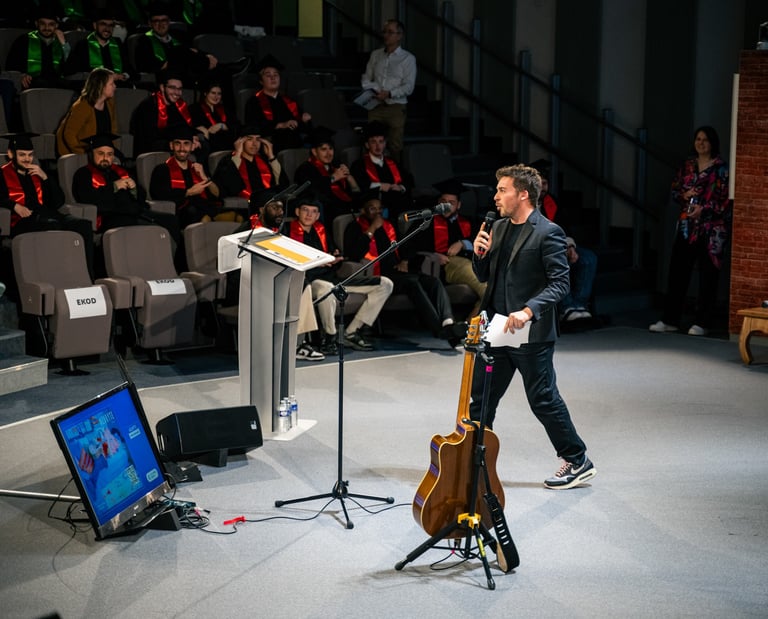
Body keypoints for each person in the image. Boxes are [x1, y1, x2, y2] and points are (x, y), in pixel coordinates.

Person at [469, 164, 595, 490]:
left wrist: (528, 310)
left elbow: (560, 284)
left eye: (502, 190)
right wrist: (480, 255)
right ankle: (474, 460)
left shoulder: (548, 232)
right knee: (481, 398)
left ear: (523, 194)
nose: (496, 196)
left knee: (543, 399)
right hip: (498, 327)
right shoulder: (498, 227)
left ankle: (577, 459)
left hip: (530, 332)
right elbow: (484, 277)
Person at [344, 192, 466, 346]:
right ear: (363, 211)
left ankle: (448, 322)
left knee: (432, 281)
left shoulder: (388, 225)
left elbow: (405, 245)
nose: (378, 212)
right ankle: (440, 331)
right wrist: (372, 228)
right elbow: (354, 253)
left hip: (397, 271)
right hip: (378, 275)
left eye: (380, 209)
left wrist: (405, 260)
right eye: (372, 209)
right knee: (412, 282)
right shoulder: (355, 227)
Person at [649, 125, 730, 336]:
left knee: (708, 276)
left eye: (705, 139)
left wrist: (705, 209)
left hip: (711, 230)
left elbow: (726, 201)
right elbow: (675, 190)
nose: (701, 143)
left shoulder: (721, 168)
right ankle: (670, 319)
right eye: (698, 139)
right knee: (678, 272)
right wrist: (684, 195)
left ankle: (703, 322)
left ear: (712, 143)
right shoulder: (688, 165)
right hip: (687, 226)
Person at [289, 197, 393, 354]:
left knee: (385, 284)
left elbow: (335, 254)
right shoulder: (288, 231)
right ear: (297, 212)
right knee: (327, 288)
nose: (309, 215)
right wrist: (316, 263)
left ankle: (351, 332)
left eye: (314, 211)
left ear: (318, 215)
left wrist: (336, 258)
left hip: (332, 278)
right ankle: (329, 338)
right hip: (309, 281)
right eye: (305, 210)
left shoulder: (321, 230)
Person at [71, 132, 182, 269]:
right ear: (91, 154)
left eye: (110, 154)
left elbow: (141, 195)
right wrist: (114, 186)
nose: (105, 158)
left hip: (135, 211)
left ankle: (174, 267)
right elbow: (87, 199)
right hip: (109, 216)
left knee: (170, 220)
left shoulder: (120, 171)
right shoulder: (83, 174)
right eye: (100, 153)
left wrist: (134, 189)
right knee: (147, 228)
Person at [0, 132, 95, 277]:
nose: (27, 159)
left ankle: (87, 276)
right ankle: (57, 275)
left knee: (84, 225)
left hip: (46, 214)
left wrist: (45, 177)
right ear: (10, 154)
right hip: (22, 220)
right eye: (22, 155)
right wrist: (14, 205)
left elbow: (58, 202)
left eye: (30, 155)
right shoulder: (2, 174)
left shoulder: (37, 173)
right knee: (51, 225)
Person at [408, 177, 487, 317]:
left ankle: (468, 326)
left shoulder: (469, 222)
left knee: (492, 289)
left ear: (459, 205)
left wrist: (463, 243)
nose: (446, 206)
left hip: (475, 262)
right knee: (487, 288)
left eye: (451, 203)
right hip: (449, 265)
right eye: (443, 202)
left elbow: (484, 241)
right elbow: (410, 247)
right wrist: (433, 255)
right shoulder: (425, 223)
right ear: (438, 203)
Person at [149, 124, 240, 229]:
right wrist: (189, 192)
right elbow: (160, 194)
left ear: (192, 147)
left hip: (205, 208)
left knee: (238, 216)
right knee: (202, 216)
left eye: (186, 144)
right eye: (178, 143)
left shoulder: (196, 168)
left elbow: (217, 194)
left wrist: (204, 177)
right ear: (171, 146)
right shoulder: (162, 169)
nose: (182, 148)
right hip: (183, 212)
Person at [360, 19, 416, 163]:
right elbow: (366, 77)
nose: (386, 35)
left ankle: (395, 173)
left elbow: (408, 86)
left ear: (399, 35)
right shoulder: (376, 55)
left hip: (395, 106)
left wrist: (389, 93)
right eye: (384, 32)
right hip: (375, 103)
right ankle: (372, 171)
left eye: (390, 32)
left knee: (395, 145)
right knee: (372, 141)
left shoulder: (408, 58)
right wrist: (375, 90)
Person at [133, 2, 218, 84]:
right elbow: (146, 66)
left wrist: (207, 56)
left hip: (188, 73)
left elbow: (193, 51)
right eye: (156, 21)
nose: (161, 25)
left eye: (164, 20)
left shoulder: (178, 36)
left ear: (169, 22)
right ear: (150, 23)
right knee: (179, 52)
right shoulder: (144, 41)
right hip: (165, 78)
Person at [244, 54, 312, 154]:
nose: (273, 78)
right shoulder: (253, 102)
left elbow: (303, 127)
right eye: (268, 75)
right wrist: (279, 125)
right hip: (273, 145)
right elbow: (253, 128)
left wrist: (304, 120)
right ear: (261, 81)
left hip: (294, 142)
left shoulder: (289, 102)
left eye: (276, 75)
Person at [294, 127, 359, 232]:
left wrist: (349, 178)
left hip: (344, 207)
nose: (328, 153)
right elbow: (311, 191)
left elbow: (351, 191)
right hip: (326, 210)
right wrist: (333, 178)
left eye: (331, 149)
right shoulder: (306, 169)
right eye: (324, 149)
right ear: (314, 151)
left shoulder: (335, 166)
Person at [129, 71, 206, 159]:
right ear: (162, 87)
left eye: (180, 89)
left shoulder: (178, 106)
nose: (177, 92)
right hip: (151, 147)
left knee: (202, 146)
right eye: (172, 88)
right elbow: (149, 137)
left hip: (172, 142)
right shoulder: (148, 106)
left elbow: (181, 126)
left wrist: (192, 137)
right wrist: (177, 141)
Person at [212, 124, 282, 215]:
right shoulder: (228, 161)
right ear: (240, 142)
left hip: (267, 204)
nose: (255, 144)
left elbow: (280, 183)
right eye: (249, 139)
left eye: (258, 139)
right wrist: (238, 154)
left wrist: (271, 156)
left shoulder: (265, 160)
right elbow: (226, 184)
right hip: (243, 209)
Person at [349, 121, 411, 220]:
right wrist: (380, 186)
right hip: (376, 204)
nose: (378, 146)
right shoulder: (359, 165)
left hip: (398, 201)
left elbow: (409, 179)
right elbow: (361, 186)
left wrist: (400, 187)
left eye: (381, 141)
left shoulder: (392, 162)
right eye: (373, 142)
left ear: (385, 144)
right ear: (367, 145)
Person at [55, 67, 118, 156]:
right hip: (80, 150)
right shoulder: (82, 106)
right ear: (101, 86)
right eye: (111, 84)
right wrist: (83, 154)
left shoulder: (110, 102)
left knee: (119, 159)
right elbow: (69, 135)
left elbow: (113, 130)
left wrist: (112, 149)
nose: (115, 86)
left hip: (101, 149)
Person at [61, 9, 134, 84]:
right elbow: (70, 72)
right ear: (95, 25)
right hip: (93, 86)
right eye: (103, 24)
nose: (107, 29)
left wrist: (123, 76)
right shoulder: (83, 45)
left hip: (118, 86)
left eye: (111, 25)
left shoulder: (118, 44)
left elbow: (130, 70)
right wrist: (107, 77)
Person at [5, 7, 72, 90]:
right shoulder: (24, 40)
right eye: (43, 23)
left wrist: (64, 43)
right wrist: (22, 75)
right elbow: (11, 65)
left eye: (51, 24)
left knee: (81, 85)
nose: (47, 28)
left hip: (56, 81)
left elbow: (71, 68)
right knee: (44, 82)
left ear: (56, 26)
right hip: (33, 81)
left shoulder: (60, 42)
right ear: (36, 24)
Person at [190, 81, 238, 154]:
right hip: (209, 145)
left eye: (219, 94)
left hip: (227, 144)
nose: (216, 96)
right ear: (205, 93)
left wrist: (222, 125)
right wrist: (200, 130)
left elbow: (236, 125)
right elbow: (193, 126)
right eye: (213, 93)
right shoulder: (195, 108)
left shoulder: (225, 109)